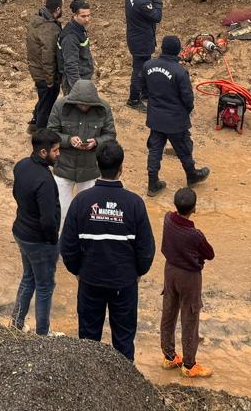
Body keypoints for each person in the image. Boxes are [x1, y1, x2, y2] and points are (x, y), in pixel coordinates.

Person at [60, 140, 155, 360]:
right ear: (121, 168)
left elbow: (67, 245)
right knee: (123, 341)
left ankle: (88, 385)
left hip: (90, 281)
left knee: (88, 341)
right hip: (123, 283)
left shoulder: (81, 201)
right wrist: (137, 274)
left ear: (97, 166)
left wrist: (78, 272)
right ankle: (125, 387)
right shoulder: (134, 203)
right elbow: (146, 249)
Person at [160, 186, 215, 378]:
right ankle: (189, 365)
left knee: (168, 312)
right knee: (190, 319)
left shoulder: (168, 219)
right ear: (194, 209)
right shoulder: (195, 234)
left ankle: (169, 356)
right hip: (189, 277)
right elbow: (210, 254)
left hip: (170, 270)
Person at [11, 129, 62, 335]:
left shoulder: (22, 165)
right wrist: (52, 242)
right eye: (55, 150)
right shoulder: (45, 180)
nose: (58, 154)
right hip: (39, 240)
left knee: (28, 278)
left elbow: (16, 194)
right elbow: (48, 219)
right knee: (44, 286)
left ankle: (17, 323)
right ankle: (43, 333)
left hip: (21, 231)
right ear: (43, 152)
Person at [144, 37, 208, 195]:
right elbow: (188, 98)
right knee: (184, 149)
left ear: (163, 49)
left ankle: (152, 184)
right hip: (175, 119)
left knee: (155, 150)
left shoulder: (148, 65)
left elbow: (143, 89)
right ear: (178, 50)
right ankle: (192, 175)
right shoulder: (179, 71)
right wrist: (186, 110)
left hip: (155, 117)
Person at [47, 78, 115, 225]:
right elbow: (51, 133)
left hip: (90, 169)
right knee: (61, 213)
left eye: (87, 105)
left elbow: (110, 135)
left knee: (90, 214)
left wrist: (96, 142)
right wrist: (69, 140)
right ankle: (61, 243)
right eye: (80, 104)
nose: (84, 107)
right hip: (63, 167)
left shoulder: (104, 108)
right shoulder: (60, 105)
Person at [125, 0, 163, 109]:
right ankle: (134, 99)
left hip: (134, 35)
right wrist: (157, 0)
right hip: (142, 40)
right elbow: (157, 17)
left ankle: (146, 92)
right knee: (139, 71)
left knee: (145, 66)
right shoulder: (143, 2)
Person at [26, 0, 63, 133]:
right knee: (47, 105)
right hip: (44, 74)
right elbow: (48, 56)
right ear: (58, 9)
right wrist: (50, 80)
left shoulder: (37, 19)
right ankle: (41, 135)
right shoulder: (49, 28)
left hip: (36, 69)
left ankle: (34, 124)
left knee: (43, 100)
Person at [57, 0, 94, 93]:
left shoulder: (79, 29)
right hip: (75, 83)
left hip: (83, 79)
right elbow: (71, 65)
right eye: (83, 16)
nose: (87, 19)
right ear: (75, 16)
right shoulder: (71, 36)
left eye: (89, 15)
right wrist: (78, 89)